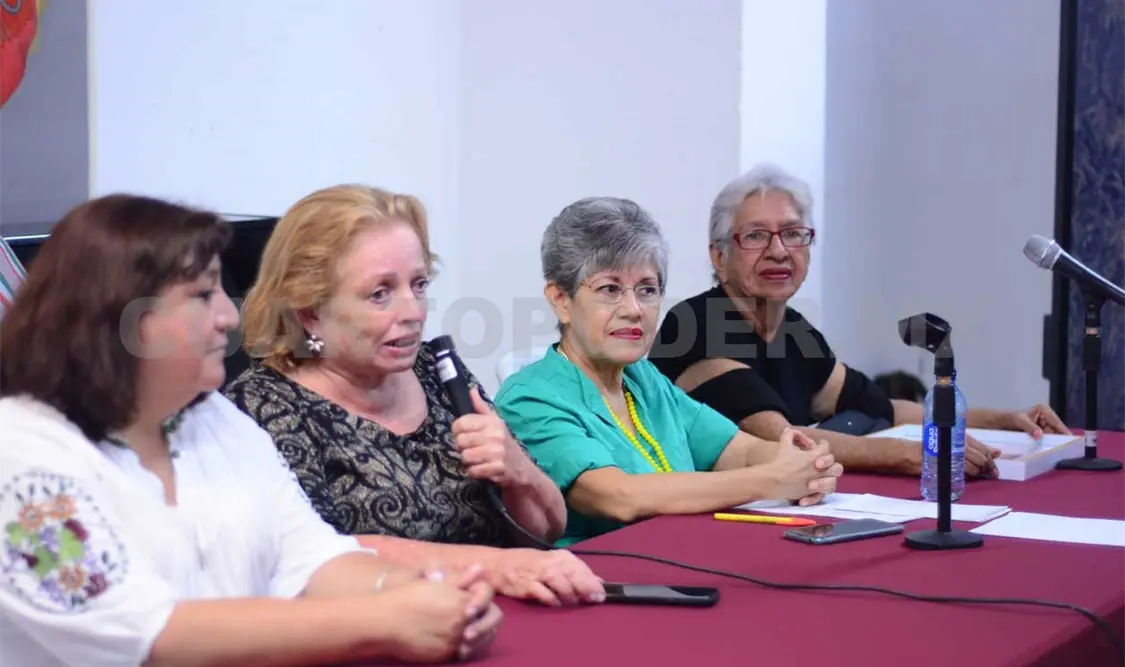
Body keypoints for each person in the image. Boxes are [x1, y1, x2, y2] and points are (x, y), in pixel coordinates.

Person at [0, 195, 502, 666]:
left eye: (221, 289)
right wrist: (387, 618)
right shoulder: (20, 452)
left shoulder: (218, 422)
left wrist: (423, 591)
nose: (227, 315)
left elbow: (314, 560)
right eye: (201, 294)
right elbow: (151, 636)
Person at [224, 184, 604, 607]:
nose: (413, 311)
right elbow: (314, 557)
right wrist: (496, 568)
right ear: (310, 312)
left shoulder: (436, 370)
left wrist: (517, 470)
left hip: (492, 614)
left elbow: (546, 531)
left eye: (418, 284)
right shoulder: (263, 407)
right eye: (380, 293)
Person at [649, 163, 1071, 478]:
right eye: (757, 236)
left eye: (793, 233)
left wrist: (1003, 419)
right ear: (719, 256)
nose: (779, 250)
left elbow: (883, 408)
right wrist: (910, 455)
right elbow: (783, 439)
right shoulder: (698, 324)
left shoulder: (794, 329)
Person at [493, 197, 843, 546]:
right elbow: (619, 496)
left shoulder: (644, 381)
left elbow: (739, 451)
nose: (633, 309)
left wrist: (806, 464)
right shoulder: (529, 398)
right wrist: (773, 479)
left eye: (647, 290)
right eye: (610, 289)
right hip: (602, 583)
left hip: (687, 558)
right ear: (560, 300)